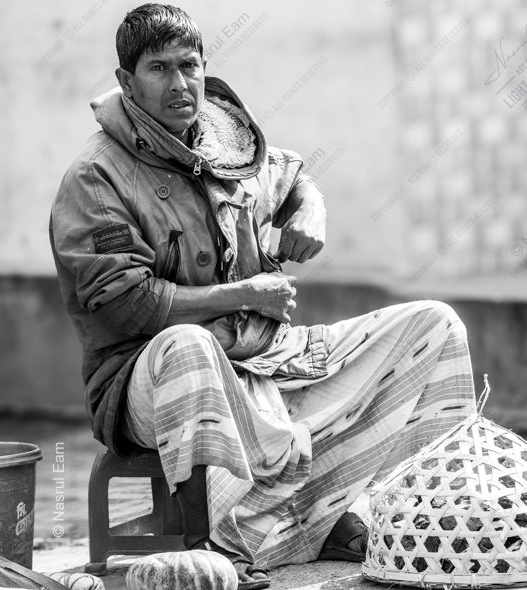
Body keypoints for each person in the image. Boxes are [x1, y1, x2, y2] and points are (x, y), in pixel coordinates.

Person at [49, 4, 475, 588]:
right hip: (147, 381)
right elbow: (130, 303)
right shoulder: (94, 179)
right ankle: (216, 549)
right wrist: (245, 294)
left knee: (436, 324)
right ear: (126, 82)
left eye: (189, 66)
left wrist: (311, 211)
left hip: (267, 360)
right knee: (189, 345)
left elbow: (292, 176)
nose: (179, 83)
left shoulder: (223, 139)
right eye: (159, 69)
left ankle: (393, 521)